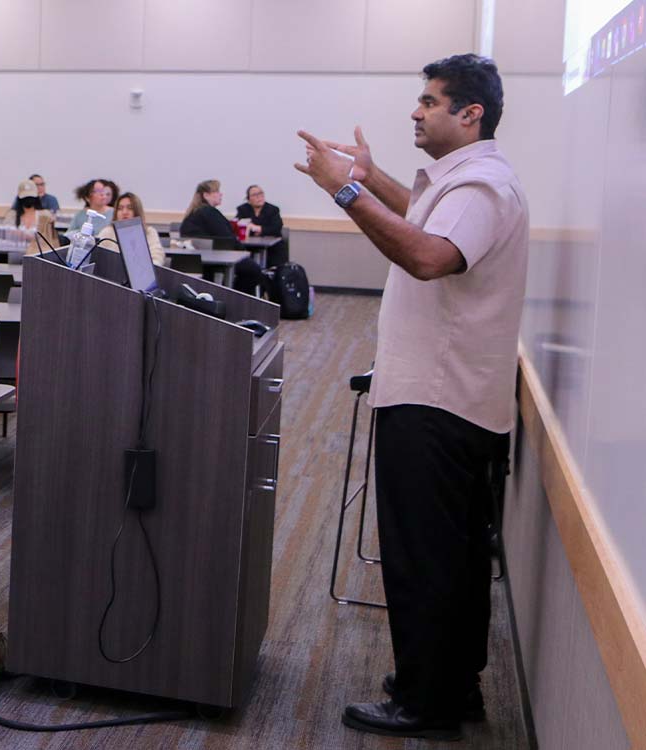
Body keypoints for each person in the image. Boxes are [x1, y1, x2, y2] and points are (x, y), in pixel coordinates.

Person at [295, 54, 526, 741]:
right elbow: (425, 218)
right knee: (449, 559)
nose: (415, 111)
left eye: (429, 101)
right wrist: (368, 177)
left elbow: (427, 257)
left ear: (470, 113)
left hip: (437, 404)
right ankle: (449, 689)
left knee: (425, 558)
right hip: (443, 398)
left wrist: (345, 194)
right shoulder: (463, 183)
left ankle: (426, 703)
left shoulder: (483, 187)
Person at [98, 192, 165, 264]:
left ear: (137, 211)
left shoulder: (149, 232)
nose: (124, 212)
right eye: (120, 208)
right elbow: (96, 256)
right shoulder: (107, 232)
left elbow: (157, 257)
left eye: (130, 208)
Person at [179, 179, 241, 247]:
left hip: (197, 255)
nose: (221, 194)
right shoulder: (209, 213)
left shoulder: (193, 212)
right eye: (217, 191)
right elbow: (228, 238)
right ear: (206, 195)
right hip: (217, 255)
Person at [1, 179, 57, 254]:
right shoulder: (12, 215)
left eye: (31, 197)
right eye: (25, 197)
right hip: (15, 254)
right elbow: (6, 233)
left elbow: (47, 238)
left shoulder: (45, 215)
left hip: (38, 254)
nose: (28, 200)